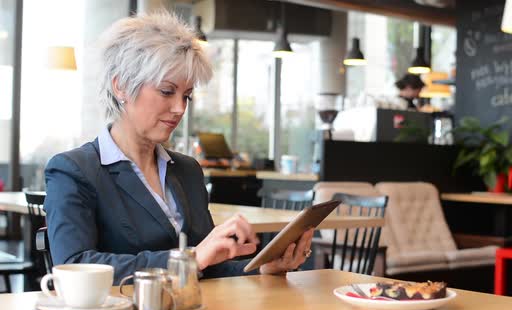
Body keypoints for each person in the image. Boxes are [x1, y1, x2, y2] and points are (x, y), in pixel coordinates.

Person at [44, 11, 313, 284]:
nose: (179, 108)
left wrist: (264, 268)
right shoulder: (75, 170)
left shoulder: (187, 170)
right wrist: (190, 258)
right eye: (166, 91)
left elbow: (207, 269)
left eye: (186, 96)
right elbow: (73, 266)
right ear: (121, 86)